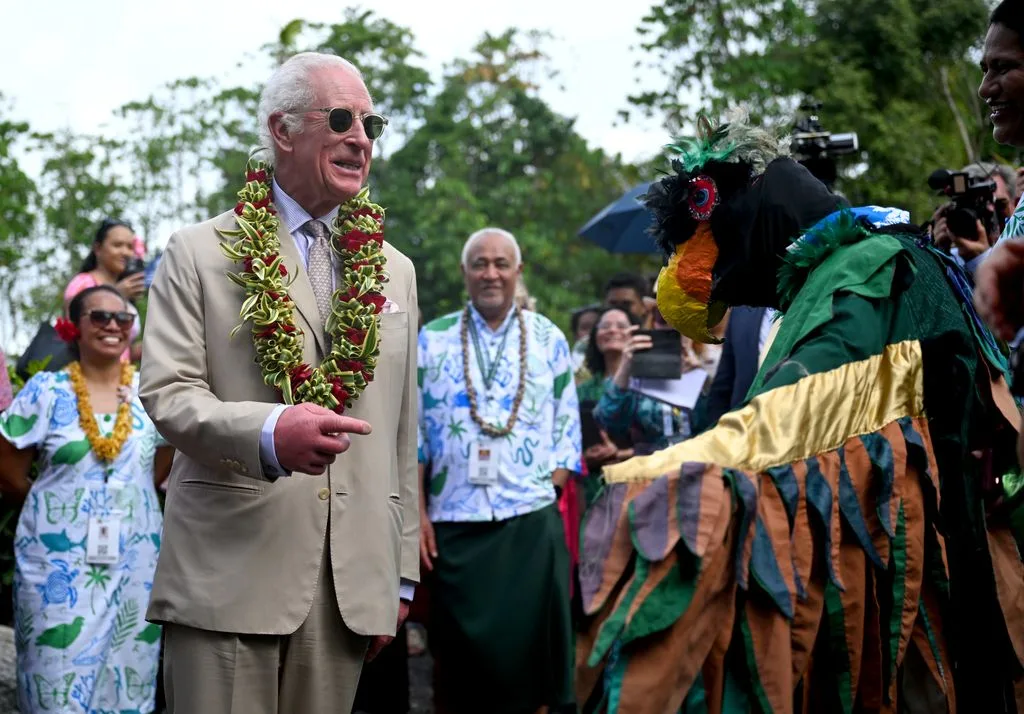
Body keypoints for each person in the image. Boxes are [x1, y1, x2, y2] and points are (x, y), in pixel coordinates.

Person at [575, 115, 1024, 712]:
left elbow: (794, 412)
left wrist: (667, 474)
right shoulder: (841, 270)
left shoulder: (864, 269)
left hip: (937, 585)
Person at [138, 52, 419, 714]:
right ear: (282, 130)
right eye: (342, 118)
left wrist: (398, 576)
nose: (360, 138)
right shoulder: (197, 252)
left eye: (370, 124)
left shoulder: (395, 271)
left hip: (350, 589)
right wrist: (268, 432)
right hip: (228, 579)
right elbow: (168, 395)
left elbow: (404, 433)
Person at [417, 227, 581, 714]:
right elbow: (415, 438)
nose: (491, 273)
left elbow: (567, 434)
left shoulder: (548, 337)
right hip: (454, 526)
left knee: (534, 670)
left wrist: (543, 496)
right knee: (462, 672)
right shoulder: (433, 339)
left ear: (518, 272)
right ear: (465, 272)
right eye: (480, 264)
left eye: (501, 263)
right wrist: (420, 513)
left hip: (529, 525)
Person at [0, 285, 172, 713]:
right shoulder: (47, 389)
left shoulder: (151, 395)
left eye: (124, 319)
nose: (113, 326)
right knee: (54, 681)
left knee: (128, 682)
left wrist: (123, 500)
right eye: (100, 317)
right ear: (74, 326)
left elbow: (164, 459)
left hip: (134, 562)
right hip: (56, 567)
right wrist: (56, 511)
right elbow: (7, 468)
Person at [64, 218, 146, 363]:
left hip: (122, 379)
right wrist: (117, 295)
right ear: (98, 248)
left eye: (130, 247)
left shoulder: (127, 289)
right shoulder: (82, 283)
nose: (126, 252)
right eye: (117, 245)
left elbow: (124, 351)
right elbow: (72, 333)